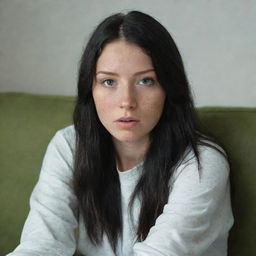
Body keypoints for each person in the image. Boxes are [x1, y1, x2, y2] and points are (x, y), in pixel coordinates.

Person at [7, 10, 234, 256]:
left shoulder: (201, 163)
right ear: (89, 89)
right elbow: (41, 244)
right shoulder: (69, 145)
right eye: (108, 82)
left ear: (169, 87)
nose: (126, 101)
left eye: (146, 81)